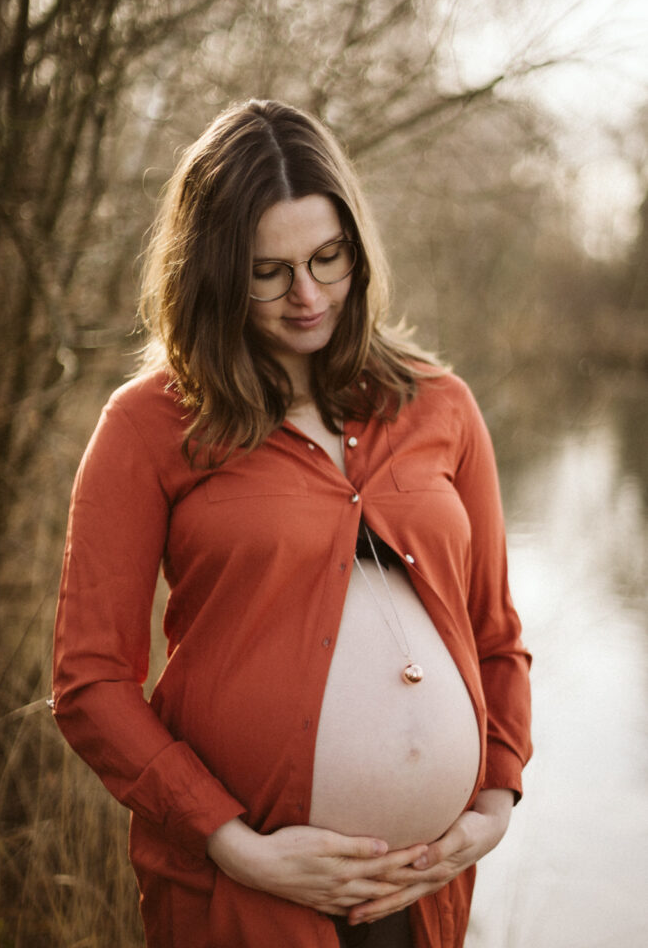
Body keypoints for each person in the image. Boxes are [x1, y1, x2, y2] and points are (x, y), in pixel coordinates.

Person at [52, 98, 532, 948]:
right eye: (268, 270)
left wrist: (493, 800)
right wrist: (233, 845)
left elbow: (494, 633)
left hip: (423, 894)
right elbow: (90, 681)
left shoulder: (439, 406)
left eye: (326, 258)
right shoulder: (148, 425)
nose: (306, 295)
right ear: (212, 268)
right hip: (244, 898)